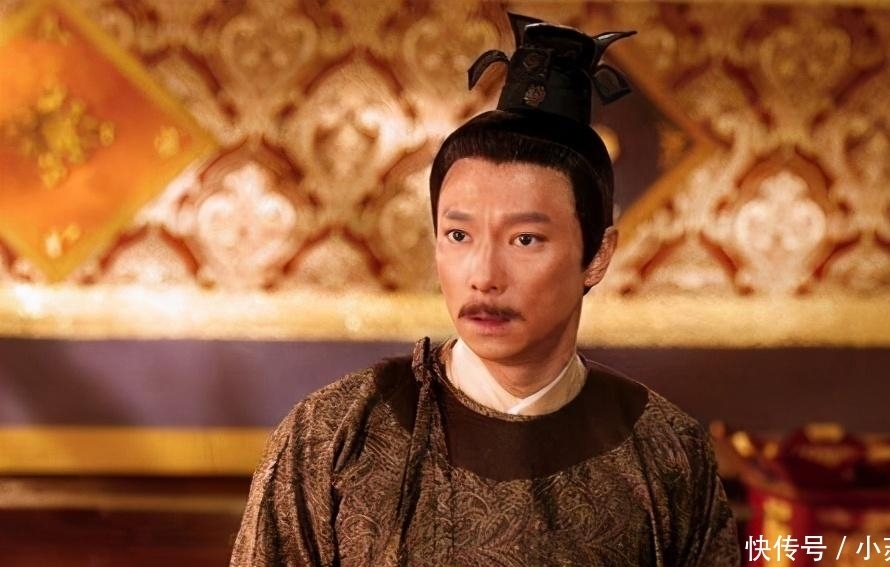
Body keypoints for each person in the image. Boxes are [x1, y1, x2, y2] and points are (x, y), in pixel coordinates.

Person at [230, 13, 739, 567]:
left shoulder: (666, 450)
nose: (484, 275)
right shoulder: (334, 434)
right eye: (459, 235)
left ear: (597, 255)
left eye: (525, 239)